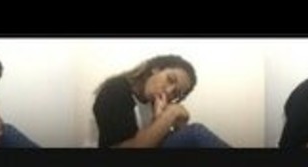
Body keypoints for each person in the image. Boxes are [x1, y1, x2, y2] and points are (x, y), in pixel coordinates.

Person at [93, 54, 229, 148]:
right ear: (156, 69)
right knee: (195, 133)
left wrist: (176, 124)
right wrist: (170, 114)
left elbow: (156, 140)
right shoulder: (116, 91)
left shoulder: (155, 103)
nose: (169, 91)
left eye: (176, 93)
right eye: (170, 79)